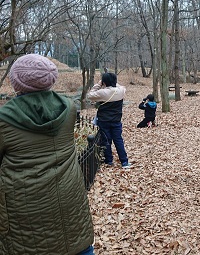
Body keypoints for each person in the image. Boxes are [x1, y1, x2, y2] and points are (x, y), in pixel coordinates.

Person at [0, 54, 95, 255]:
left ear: (17, 82)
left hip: (26, 208)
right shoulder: (68, 108)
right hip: (69, 197)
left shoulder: (4, 120)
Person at [87, 72, 131, 168]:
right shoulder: (121, 91)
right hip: (116, 120)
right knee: (118, 140)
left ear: (104, 82)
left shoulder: (103, 93)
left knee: (106, 140)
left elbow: (90, 95)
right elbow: (122, 87)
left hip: (104, 120)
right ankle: (124, 161)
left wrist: (99, 84)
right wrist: (114, 82)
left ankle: (109, 160)